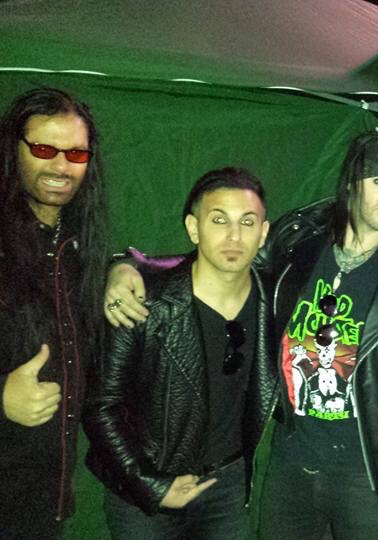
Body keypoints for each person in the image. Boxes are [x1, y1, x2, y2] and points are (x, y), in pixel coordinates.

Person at [104, 131, 378, 539]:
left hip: (365, 473)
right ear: (352, 182)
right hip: (291, 462)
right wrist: (130, 265)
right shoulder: (298, 241)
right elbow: (222, 260)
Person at [84, 167, 275, 539]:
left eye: (247, 222)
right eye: (218, 220)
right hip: (144, 493)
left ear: (263, 232)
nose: (234, 236)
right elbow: (99, 405)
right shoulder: (143, 303)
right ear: (193, 227)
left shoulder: (275, 297)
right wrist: (151, 484)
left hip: (227, 488)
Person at [0, 87, 108, 538]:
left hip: (46, 503)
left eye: (76, 154)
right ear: (14, 149)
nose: (61, 167)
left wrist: (123, 267)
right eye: (44, 150)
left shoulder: (78, 247)